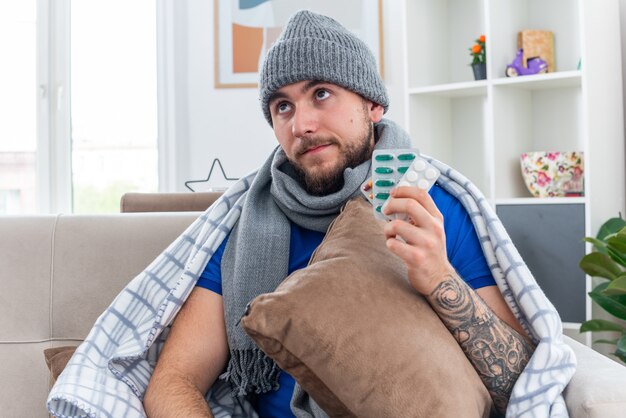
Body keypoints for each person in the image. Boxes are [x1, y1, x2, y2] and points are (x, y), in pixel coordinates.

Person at [143, 10, 535, 418]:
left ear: (373, 105)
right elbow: (175, 380)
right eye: (282, 106)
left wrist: (439, 278)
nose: (302, 124)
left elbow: (522, 383)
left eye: (321, 93)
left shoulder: (431, 208)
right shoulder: (247, 226)